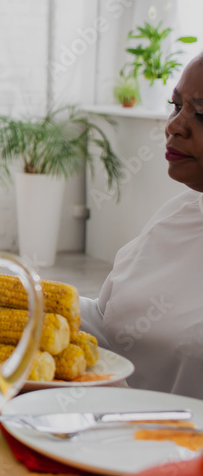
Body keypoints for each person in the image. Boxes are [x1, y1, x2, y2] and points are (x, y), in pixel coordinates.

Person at [80, 52, 203, 398]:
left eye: (202, 113)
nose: (175, 126)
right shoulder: (176, 215)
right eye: (176, 106)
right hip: (121, 434)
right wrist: (1, 289)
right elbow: (106, 324)